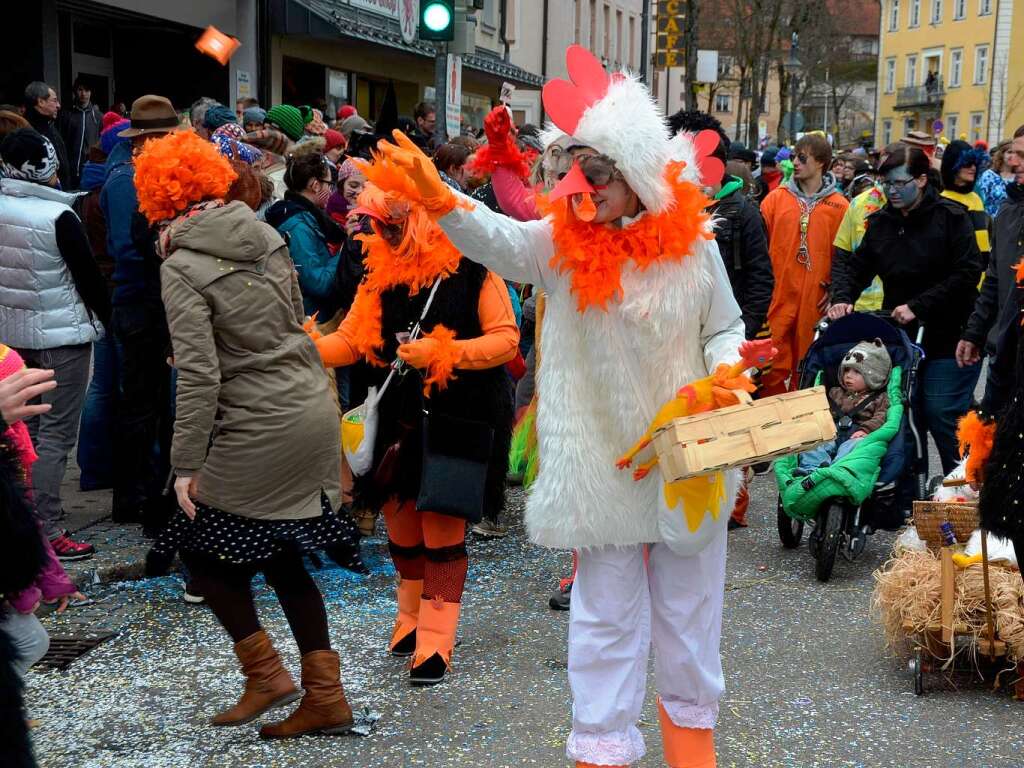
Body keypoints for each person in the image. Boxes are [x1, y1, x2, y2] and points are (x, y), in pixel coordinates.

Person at [367, 45, 750, 767]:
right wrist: (442, 198)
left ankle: (693, 755)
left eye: (597, 171)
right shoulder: (559, 243)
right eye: (572, 168)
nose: (580, 186)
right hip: (603, 465)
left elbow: (725, 326)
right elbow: (504, 241)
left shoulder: (695, 248)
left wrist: (726, 374)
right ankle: (600, 755)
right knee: (602, 624)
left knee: (691, 622)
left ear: (635, 173)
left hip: (687, 458)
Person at [138, 130, 360, 738]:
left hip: (258, 420)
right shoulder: (263, 232)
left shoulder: (181, 265)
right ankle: (319, 694)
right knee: (281, 553)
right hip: (308, 403)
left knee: (198, 548)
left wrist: (184, 465)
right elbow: (291, 320)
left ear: (161, 201)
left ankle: (272, 678)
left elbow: (201, 374)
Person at [312, 159, 518, 686]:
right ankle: (409, 617)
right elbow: (354, 340)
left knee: (442, 531)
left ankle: (437, 637)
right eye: (378, 224)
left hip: (458, 414)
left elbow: (505, 340)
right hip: (399, 416)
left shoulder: (473, 266)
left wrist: (439, 352)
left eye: (394, 223)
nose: (383, 232)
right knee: (401, 527)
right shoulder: (377, 274)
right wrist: (305, 349)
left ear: (425, 217)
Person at [828, 144, 983, 475]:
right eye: (886, 183)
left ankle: (966, 485)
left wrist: (917, 306)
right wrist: (842, 297)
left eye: (900, 183)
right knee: (903, 416)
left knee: (941, 411)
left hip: (950, 334)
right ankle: (909, 497)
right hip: (900, 337)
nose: (892, 191)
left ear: (923, 179)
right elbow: (857, 268)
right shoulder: (882, 222)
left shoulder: (952, 218)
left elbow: (967, 274)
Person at [0, 129, 110, 560]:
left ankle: (20, 522)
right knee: (56, 435)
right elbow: (89, 280)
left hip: (11, 337)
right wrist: (108, 321)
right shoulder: (58, 217)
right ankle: (47, 529)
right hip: (62, 337)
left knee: (21, 432)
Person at [100, 95, 180, 530]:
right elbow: (128, 250)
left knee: (152, 404)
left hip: (150, 299)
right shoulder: (125, 180)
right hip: (140, 302)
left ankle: (147, 495)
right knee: (141, 404)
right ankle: (137, 498)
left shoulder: (144, 175)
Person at [760, 133, 849, 395]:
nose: (795, 163)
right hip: (777, 295)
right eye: (793, 157)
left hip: (815, 299)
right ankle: (769, 422)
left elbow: (846, 257)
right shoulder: (775, 200)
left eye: (802, 157)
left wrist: (835, 291)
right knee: (770, 363)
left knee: (809, 363)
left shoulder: (840, 206)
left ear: (821, 162)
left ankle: (803, 425)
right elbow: (758, 248)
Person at [958, 125, 1024, 368]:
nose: (1013, 162)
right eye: (1013, 153)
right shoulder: (1007, 211)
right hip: (1004, 352)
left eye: (1022, 155)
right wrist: (974, 333)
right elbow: (994, 278)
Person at [795, 339, 891, 474]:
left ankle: (836, 470)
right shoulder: (835, 393)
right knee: (814, 444)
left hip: (857, 436)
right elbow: (823, 412)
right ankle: (812, 468)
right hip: (831, 434)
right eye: (846, 370)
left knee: (857, 447)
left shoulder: (880, 398)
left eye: (856, 372)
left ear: (874, 377)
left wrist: (866, 430)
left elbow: (881, 417)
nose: (848, 376)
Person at [265, 151, 342, 319]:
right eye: (329, 184)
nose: (331, 190)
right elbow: (318, 283)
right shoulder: (297, 226)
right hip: (311, 318)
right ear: (315, 185)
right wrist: (345, 249)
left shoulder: (305, 214)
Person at [832, 144, 899, 314]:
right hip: (858, 304)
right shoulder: (859, 203)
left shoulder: (912, 208)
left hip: (898, 308)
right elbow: (842, 256)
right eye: (884, 174)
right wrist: (840, 298)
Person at [940, 139, 992, 263]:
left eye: (975, 163)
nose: (973, 168)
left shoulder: (975, 197)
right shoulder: (943, 201)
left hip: (982, 275)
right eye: (967, 163)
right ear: (953, 165)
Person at [57, 77, 103, 190]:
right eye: (80, 90)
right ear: (75, 91)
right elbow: (60, 141)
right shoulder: (65, 115)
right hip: (69, 170)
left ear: (91, 92)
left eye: (87, 90)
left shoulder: (98, 117)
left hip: (90, 169)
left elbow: (101, 142)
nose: (83, 94)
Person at [23, 82, 70, 190]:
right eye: (54, 100)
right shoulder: (28, 135)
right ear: (40, 102)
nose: (58, 105)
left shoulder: (49, 126)